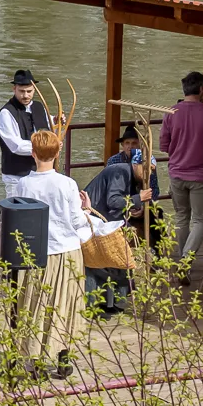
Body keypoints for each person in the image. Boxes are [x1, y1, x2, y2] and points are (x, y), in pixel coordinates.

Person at [17, 128, 95, 377]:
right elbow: (76, 220)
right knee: (66, 304)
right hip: (66, 251)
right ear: (57, 153)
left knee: (36, 303)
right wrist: (87, 210)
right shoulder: (67, 184)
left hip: (36, 252)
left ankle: (36, 361)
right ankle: (63, 359)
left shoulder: (23, 184)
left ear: (33, 153)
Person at [83, 121, 159, 315]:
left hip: (107, 220)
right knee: (102, 262)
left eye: (151, 170)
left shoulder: (131, 175)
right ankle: (98, 304)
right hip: (95, 220)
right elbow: (113, 201)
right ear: (137, 164)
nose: (148, 174)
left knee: (117, 261)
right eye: (146, 169)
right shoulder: (120, 171)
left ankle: (114, 303)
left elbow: (122, 202)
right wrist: (138, 198)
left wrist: (135, 206)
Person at [161, 72, 203, 278]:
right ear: (201, 90)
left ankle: (184, 265)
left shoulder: (171, 113)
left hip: (177, 174)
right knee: (200, 221)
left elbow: (164, 145)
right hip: (202, 177)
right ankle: (185, 262)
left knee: (182, 218)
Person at [0, 68, 52, 203]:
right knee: (16, 211)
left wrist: (56, 121)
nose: (25, 95)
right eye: (22, 91)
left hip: (40, 173)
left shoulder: (39, 107)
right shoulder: (6, 113)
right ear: (14, 89)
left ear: (34, 90)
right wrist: (45, 148)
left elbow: (45, 125)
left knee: (40, 210)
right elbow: (16, 146)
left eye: (29, 91)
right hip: (16, 176)